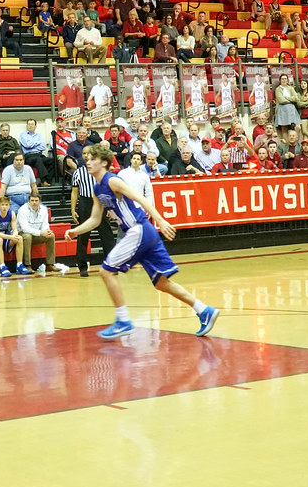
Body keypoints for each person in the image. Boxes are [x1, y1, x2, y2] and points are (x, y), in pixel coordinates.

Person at [66, 144, 219, 340]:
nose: (88, 162)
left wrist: (161, 220)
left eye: (93, 159)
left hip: (138, 229)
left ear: (104, 162)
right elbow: (95, 219)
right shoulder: (97, 189)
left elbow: (140, 198)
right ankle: (204, 310)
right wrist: (76, 231)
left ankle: (123, 320)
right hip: (143, 234)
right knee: (161, 283)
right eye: (87, 159)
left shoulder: (112, 180)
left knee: (106, 271)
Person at [16, 193, 65, 275]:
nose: (34, 202)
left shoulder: (44, 209)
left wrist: (47, 231)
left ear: (40, 201)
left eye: (36, 200)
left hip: (37, 234)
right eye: (32, 200)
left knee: (51, 236)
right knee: (27, 236)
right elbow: (24, 228)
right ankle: (27, 265)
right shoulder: (23, 210)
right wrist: (41, 233)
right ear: (29, 201)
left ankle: (50, 264)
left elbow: (45, 224)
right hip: (22, 234)